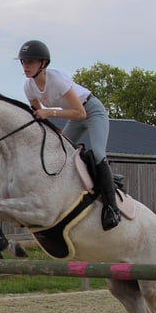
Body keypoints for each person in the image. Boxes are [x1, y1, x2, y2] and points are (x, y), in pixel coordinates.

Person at [17, 39, 120, 231]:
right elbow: (40, 117)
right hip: (73, 116)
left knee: (98, 153)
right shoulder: (28, 87)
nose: (26, 66)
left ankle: (111, 208)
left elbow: (80, 113)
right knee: (58, 151)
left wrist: (50, 112)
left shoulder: (56, 79)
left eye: (30, 61)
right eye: (23, 62)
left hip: (92, 111)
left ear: (43, 64)